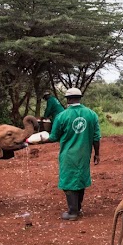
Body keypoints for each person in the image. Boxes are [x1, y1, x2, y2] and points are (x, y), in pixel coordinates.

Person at [48, 87, 101, 221]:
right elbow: (96, 137)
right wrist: (97, 154)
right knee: (80, 178)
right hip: (84, 154)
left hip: (68, 154)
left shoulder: (62, 116)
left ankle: (72, 212)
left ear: (68, 99)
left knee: (68, 180)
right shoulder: (91, 114)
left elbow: (54, 137)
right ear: (80, 98)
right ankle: (78, 207)